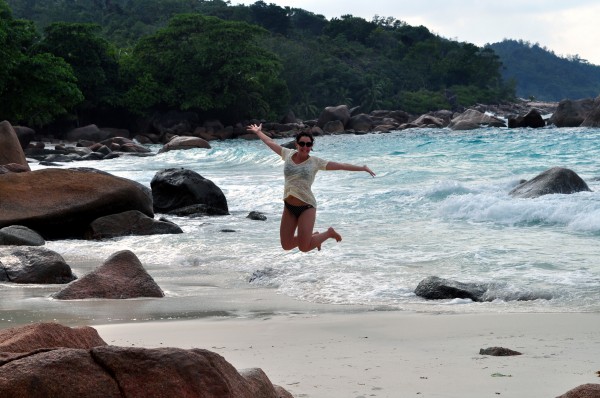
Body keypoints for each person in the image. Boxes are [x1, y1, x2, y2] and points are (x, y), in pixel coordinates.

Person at [247, 123, 375, 252]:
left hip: (306, 206)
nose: (305, 147)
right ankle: (312, 236)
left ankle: (328, 233)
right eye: (302, 144)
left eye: (308, 144)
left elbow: (341, 165)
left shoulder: (315, 162)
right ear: (296, 144)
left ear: (311, 146)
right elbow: (270, 142)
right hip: (289, 206)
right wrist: (258, 132)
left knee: (304, 247)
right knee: (286, 245)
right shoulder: (287, 154)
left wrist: (362, 168)